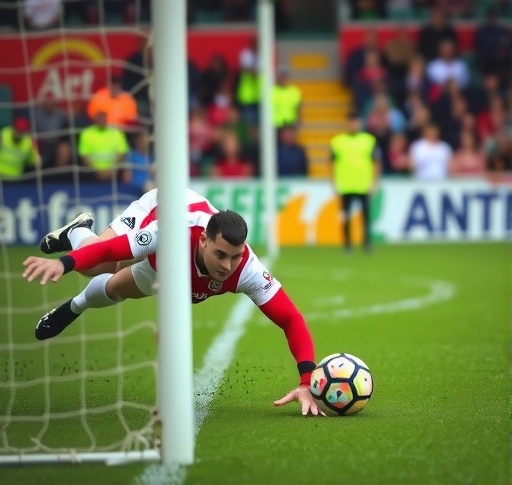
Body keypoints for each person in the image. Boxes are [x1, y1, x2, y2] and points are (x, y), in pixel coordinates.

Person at [23, 188, 324, 417]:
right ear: (204, 240)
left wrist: (306, 380)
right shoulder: (170, 233)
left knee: (115, 288)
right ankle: (77, 230)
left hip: (174, 269)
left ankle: (75, 306)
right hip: (161, 209)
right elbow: (110, 251)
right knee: (101, 265)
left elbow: (290, 319)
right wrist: (63, 263)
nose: (227, 265)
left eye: (235, 256)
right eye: (220, 254)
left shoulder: (248, 269)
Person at [329, 112, 381, 252]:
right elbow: (331, 164)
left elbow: (376, 162)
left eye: (356, 122)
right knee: (345, 217)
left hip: (364, 185)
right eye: (351, 122)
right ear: (347, 124)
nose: (353, 125)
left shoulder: (369, 140)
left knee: (366, 217)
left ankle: (366, 243)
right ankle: (347, 245)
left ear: (360, 123)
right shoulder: (337, 141)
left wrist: (375, 182)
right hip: (345, 185)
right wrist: (333, 183)